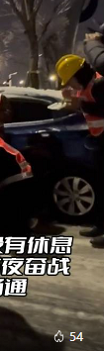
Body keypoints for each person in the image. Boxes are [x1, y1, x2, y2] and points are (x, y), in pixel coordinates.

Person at [56, 54, 104, 247]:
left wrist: (80, 103)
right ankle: (101, 225)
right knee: (100, 186)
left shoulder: (100, 85)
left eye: (71, 80)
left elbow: (99, 108)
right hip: (99, 141)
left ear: (79, 75)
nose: (70, 85)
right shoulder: (88, 86)